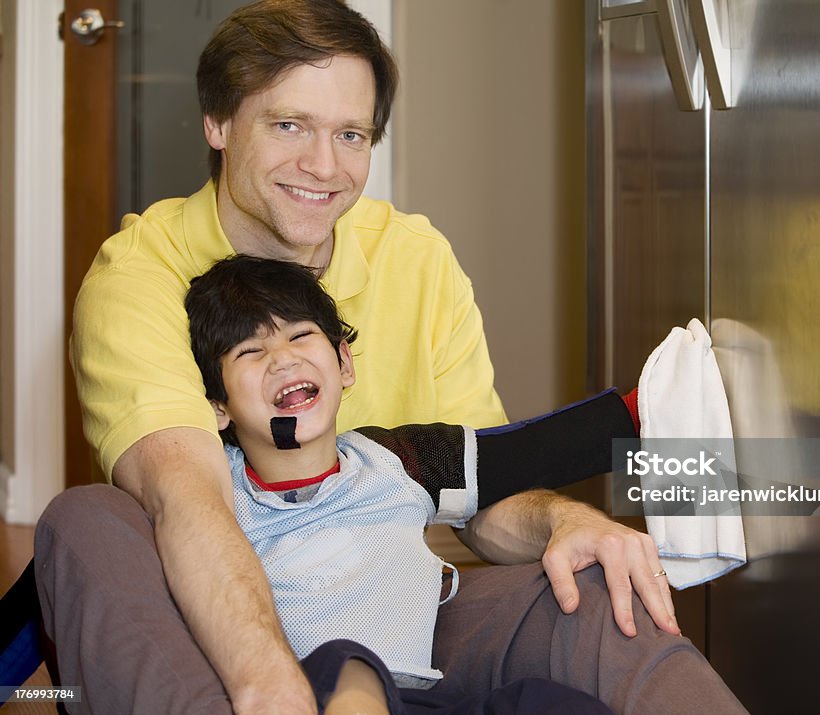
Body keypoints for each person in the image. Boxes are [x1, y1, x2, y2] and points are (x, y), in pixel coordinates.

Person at [35, 1, 747, 713]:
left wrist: (565, 519)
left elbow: (480, 488)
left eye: (351, 134)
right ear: (218, 122)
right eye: (289, 124)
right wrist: (273, 688)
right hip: (216, 621)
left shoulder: (416, 258)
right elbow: (187, 498)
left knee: (593, 589)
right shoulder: (138, 276)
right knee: (88, 519)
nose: (324, 165)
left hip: (397, 617)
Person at [185, 254, 642, 714]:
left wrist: (650, 410)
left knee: (542, 702)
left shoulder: (397, 460)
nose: (283, 359)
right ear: (218, 406)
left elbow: (532, 450)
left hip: (422, 698)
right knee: (344, 660)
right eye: (250, 352)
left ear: (344, 363)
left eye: (300, 335)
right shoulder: (213, 490)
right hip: (304, 695)